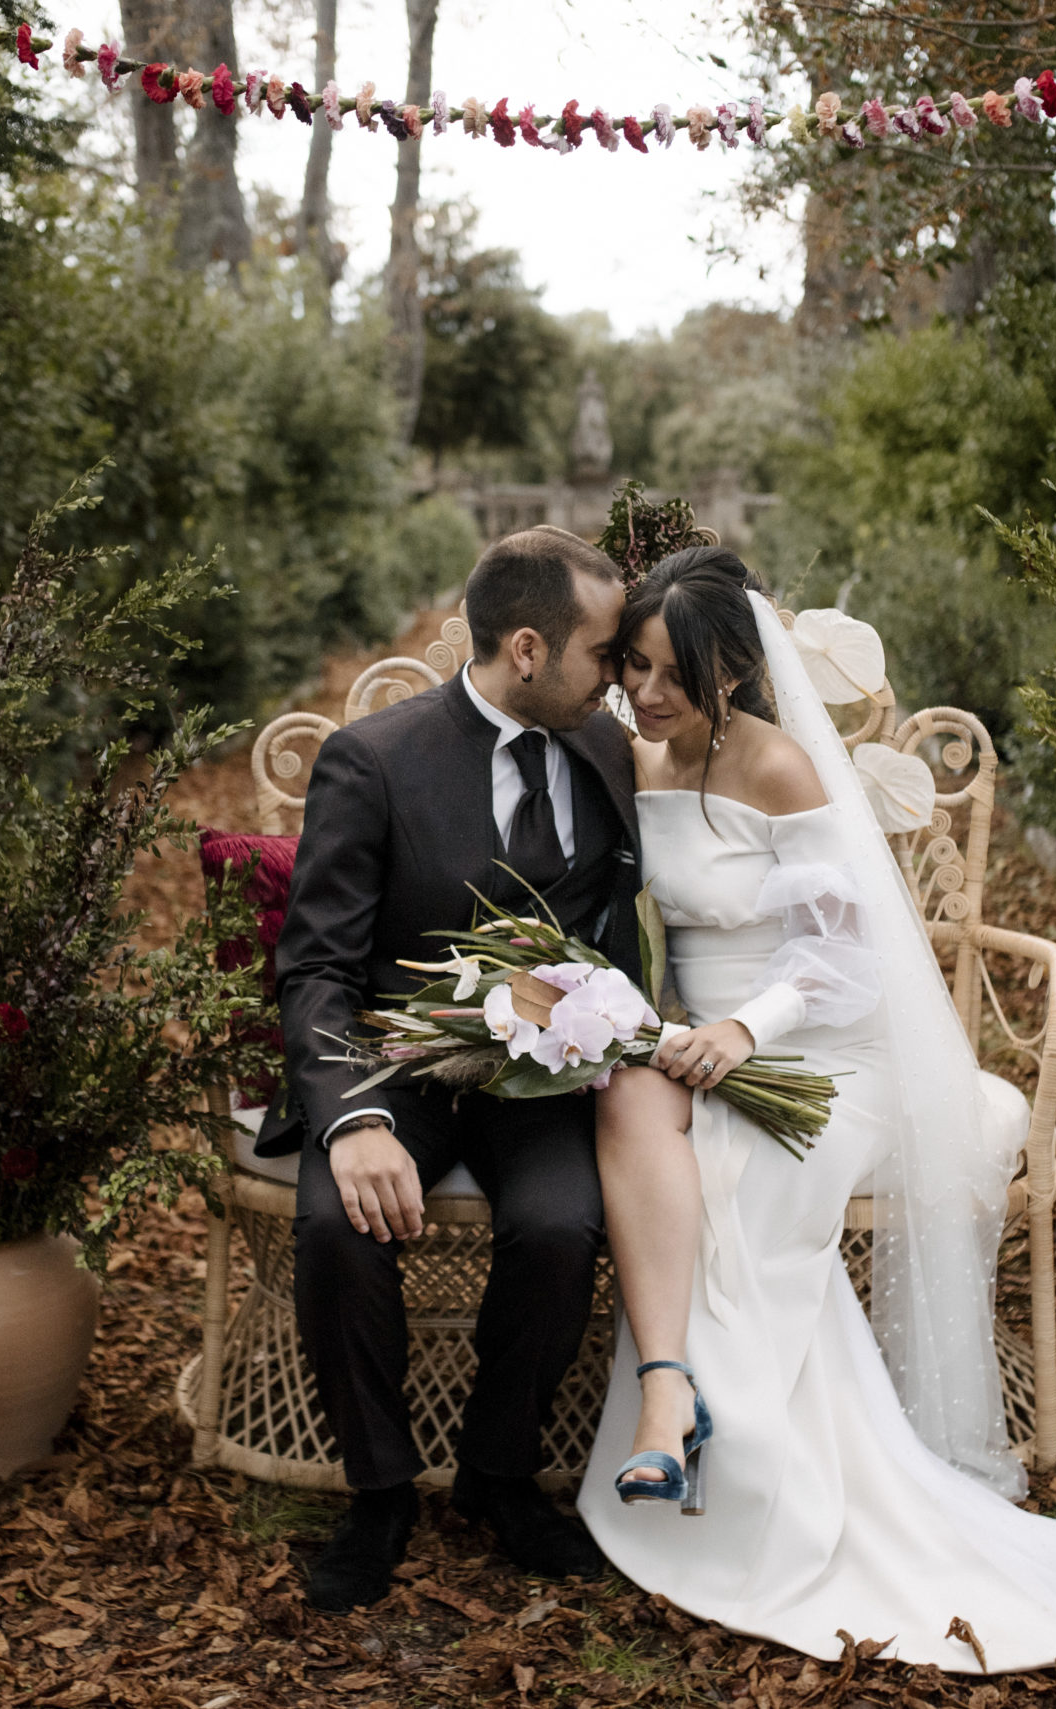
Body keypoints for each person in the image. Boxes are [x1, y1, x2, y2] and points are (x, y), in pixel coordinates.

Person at [578, 548, 1056, 1701]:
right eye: (632, 664)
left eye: (670, 672)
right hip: (700, 1047)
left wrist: (741, 1032)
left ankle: (746, 1479)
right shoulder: (639, 756)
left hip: (820, 1047)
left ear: (731, 674)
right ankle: (686, 1423)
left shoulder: (780, 767)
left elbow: (840, 958)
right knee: (680, 1166)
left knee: (734, 1194)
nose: (644, 690)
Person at [261, 527, 640, 1612]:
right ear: (528, 646)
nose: (612, 675)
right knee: (337, 1221)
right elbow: (320, 965)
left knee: (564, 1226)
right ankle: (378, 1489)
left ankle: (498, 1470)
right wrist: (350, 1117)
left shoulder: (604, 749)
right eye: (602, 653)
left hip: (542, 1080)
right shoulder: (374, 758)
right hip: (399, 1063)